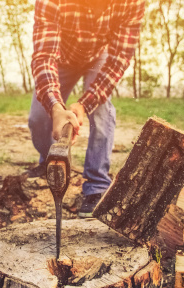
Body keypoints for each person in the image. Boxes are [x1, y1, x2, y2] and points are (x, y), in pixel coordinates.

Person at [28, 0, 145, 217]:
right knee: (38, 118)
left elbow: (119, 58)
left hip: (98, 58)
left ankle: (97, 185)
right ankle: (50, 162)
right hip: (59, 56)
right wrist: (55, 106)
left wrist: (85, 104)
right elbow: (44, 57)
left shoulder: (132, 2)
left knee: (102, 113)